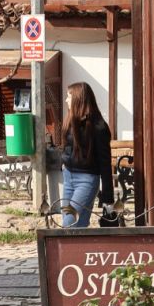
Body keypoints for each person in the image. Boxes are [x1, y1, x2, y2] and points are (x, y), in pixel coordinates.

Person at [60, 82, 114, 227]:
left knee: (68, 222)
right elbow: (67, 148)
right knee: (78, 223)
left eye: (69, 97)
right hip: (68, 177)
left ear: (79, 99)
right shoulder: (71, 121)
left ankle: (62, 249)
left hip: (86, 180)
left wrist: (108, 199)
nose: (66, 100)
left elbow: (105, 163)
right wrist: (64, 165)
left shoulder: (99, 127)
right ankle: (78, 250)